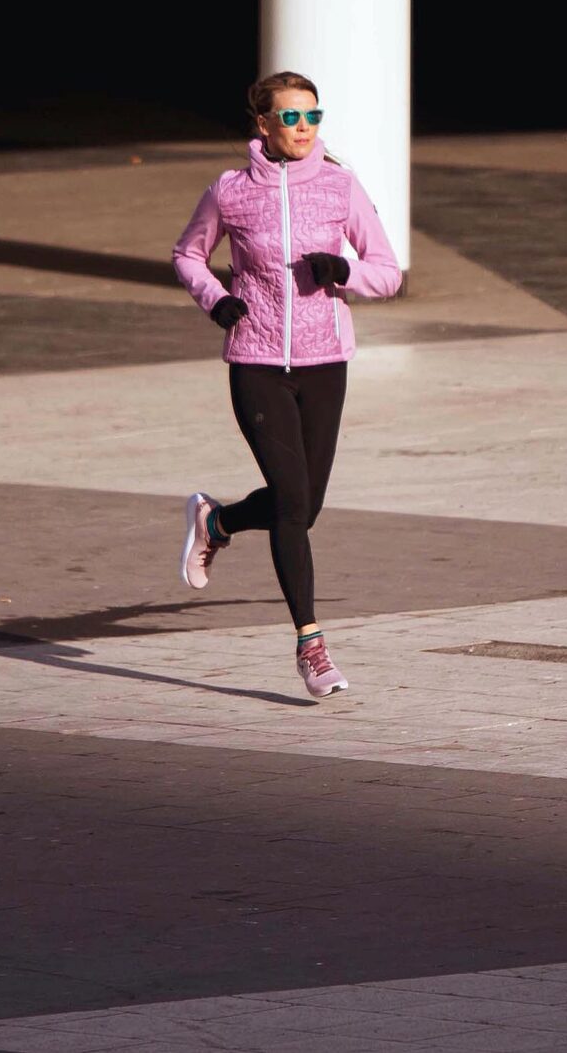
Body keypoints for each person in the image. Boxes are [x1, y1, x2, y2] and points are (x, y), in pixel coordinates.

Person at [171, 70, 403, 697]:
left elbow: (388, 272)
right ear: (263, 124)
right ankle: (312, 646)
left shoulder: (340, 186)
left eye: (313, 117)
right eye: (292, 118)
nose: (305, 129)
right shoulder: (230, 190)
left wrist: (343, 270)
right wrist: (215, 299)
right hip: (255, 361)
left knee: (306, 506)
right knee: (293, 506)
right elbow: (188, 253)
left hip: (325, 362)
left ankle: (217, 524)